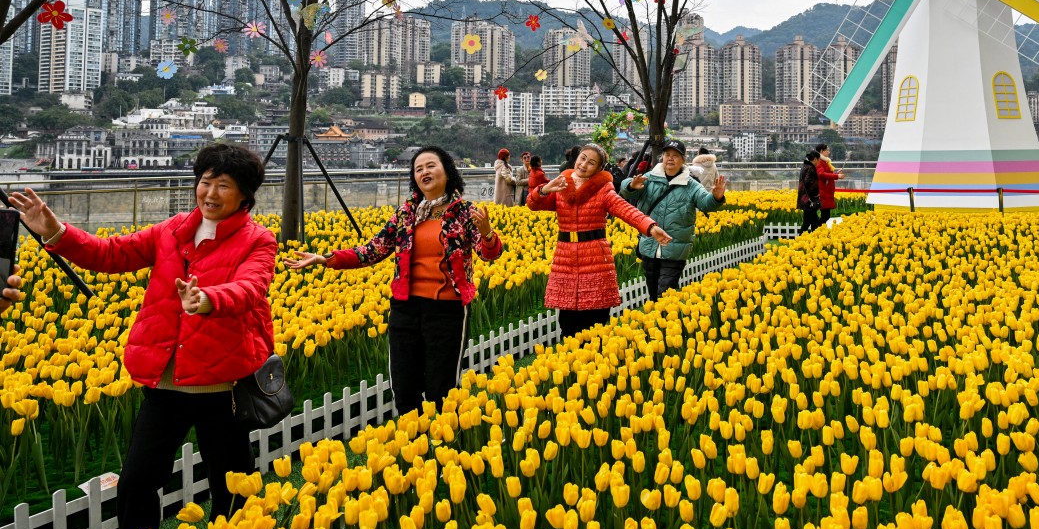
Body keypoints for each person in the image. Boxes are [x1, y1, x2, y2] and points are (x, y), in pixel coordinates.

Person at [9, 144, 275, 529]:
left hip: (224, 387)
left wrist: (206, 300)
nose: (211, 194)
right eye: (205, 183)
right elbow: (110, 255)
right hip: (165, 382)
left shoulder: (257, 240)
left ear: (245, 196)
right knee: (136, 481)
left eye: (224, 185)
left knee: (231, 485)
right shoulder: (173, 230)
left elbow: (251, 288)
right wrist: (55, 231)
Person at [285, 146, 502, 416]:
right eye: (418, 168)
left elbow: (487, 253)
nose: (424, 171)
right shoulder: (406, 215)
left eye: (431, 165)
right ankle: (412, 445)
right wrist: (326, 258)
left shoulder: (465, 213)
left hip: (447, 309)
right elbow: (373, 249)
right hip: (406, 308)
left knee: (441, 389)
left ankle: (445, 447)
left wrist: (489, 233)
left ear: (447, 171)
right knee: (404, 385)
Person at [528, 143, 671, 339]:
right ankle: (571, 364)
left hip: (595, 257)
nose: (584, 164)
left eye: (591, 162)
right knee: (567, 321)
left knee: (595, 319)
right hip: (566, 258)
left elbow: (626, 209)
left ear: (598, 169)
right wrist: (544, 189)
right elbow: (532, 204)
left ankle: (595, 363)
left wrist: (651, 227)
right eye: (583, 158)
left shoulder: (603, 190)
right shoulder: (561, 184)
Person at [621, 139, 726, 301]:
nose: (670, 158)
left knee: (665, 293)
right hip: (649, 246)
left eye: (675, 156)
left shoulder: (691, 185)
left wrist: (716, 198)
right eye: (667, 154)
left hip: (675, 248)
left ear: (683, 160)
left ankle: (666, 322)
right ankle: (658, 322)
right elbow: (626, 189)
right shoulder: (650, 178)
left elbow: (705, 203)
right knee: (653, 293)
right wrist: (631, 186)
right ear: (662, 157)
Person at [815, 142, 845, 227]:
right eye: (827, 150)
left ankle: (818, 231)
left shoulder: (825, 161)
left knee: (825, 215)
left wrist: (836, 173)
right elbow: (821, 174)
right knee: (825, 216)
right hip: (823, 191)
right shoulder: (820, 162)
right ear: (821, 151)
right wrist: (837, 176)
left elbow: (826, 173)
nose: (828, 152)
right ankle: (816, 231)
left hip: (826, 190)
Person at [797, 150, 822, 233]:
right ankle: (799, 239)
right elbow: (809, 183)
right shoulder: (811, 168)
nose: (818, 162)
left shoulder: (804, 166)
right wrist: (815, 194)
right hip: (809, 200)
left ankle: (815, 239)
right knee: (807, 222)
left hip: (804, 198)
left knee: (814, 221)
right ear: (815, 159)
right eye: (818, 160)